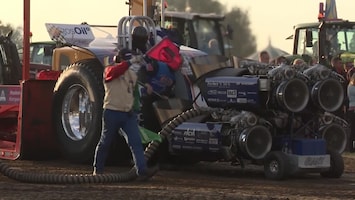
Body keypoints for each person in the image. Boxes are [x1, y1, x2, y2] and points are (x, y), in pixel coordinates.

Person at [92, 48, 158, 180]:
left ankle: (142, 171)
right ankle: (97, 170)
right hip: (112, 111)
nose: (130, 62)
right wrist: (132, 62)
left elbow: (135, 86)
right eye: (127, 59)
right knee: (105, 142)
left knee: (135, 142)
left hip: (127, 114)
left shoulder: (132, 74)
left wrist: (146, 85)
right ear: (119, 59)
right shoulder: (109, 70)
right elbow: (117, 71)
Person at [348, 73, 355, 152]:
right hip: (353, 110)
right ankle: (351, 147)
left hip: (352, 109)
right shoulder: (351, 87)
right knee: (353, 130)